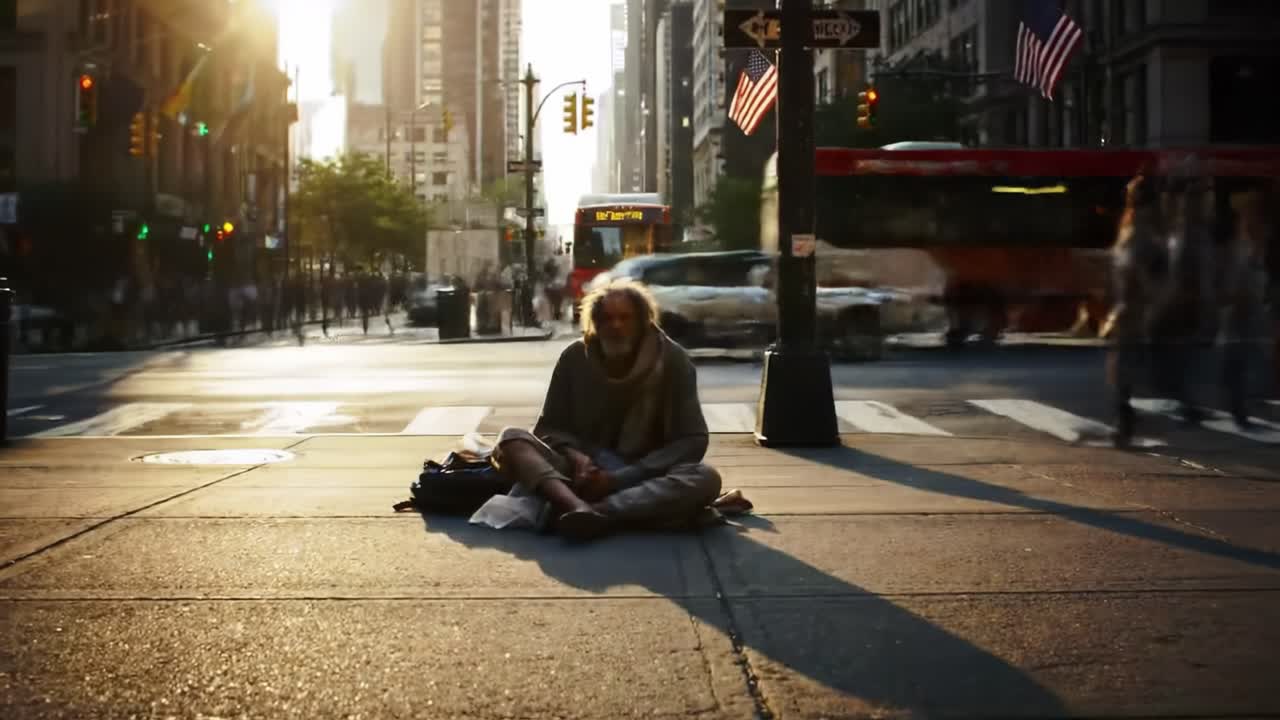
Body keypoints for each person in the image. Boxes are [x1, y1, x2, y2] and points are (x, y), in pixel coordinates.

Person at [492, 278, 721, 540]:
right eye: (608, 319)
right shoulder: (575, 358)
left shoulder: (672, 360)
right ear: (596, 323)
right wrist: (578, 458)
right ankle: (579, 507)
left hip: (642, 474)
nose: (616, 327)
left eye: (626, 318)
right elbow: (549, 428)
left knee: (705, 478)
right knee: (511, 438)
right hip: (579, 473)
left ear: (642, 322)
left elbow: (693, 440)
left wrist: (618, 479)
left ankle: (595, 512)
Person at [1107, 173, 1168, 448]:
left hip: (1135, 309)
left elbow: (1138, 272)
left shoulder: (1139, 231)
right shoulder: (1139, 229)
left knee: (1125, 368)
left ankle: (1126, 421)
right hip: (1133, 308)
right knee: (1124, 368)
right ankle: (1126, 419)